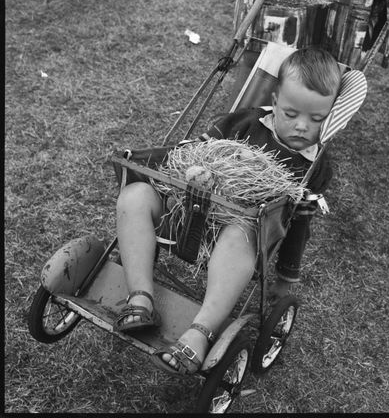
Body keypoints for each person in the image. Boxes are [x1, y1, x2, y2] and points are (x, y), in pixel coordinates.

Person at [114, 47, 341, 376]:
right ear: (275, 101)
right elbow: (193, 153)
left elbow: (299, 226)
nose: (302, 126)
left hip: (235, 240)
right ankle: (140, 297)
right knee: (135, 195)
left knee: (240, 233)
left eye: (316, 119)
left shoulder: (314, 167)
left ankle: (199, 332)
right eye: (291, 114)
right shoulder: (243, 123)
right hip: (184, 212)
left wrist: (286, 276)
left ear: (329, 116)